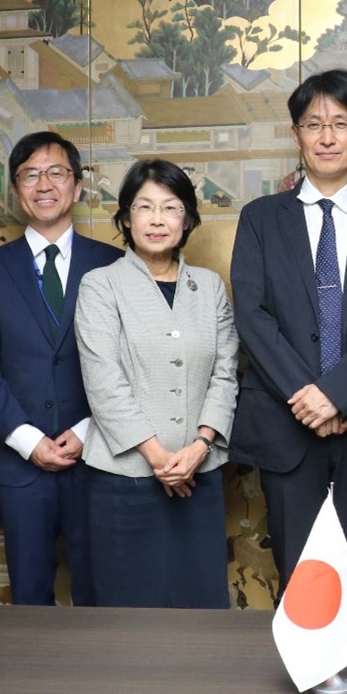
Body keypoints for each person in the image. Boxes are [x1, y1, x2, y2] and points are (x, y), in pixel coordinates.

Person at [229, 69, 347, 604]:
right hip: (287, 422)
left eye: (341, 123)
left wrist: (337, 393)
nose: (327, 136)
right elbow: (253, 315)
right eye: (314, 124)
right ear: (297, 135)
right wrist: (309, 397)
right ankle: (303, 659)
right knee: (298, 581)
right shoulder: (261, 219)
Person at [0, 131, 121, 607]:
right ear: (16, 191)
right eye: (30, 175)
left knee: (102, 595)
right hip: (20, 464)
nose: (44, 184)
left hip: (99, 458)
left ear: (77, 186)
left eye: (56, 172)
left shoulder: (113, 265)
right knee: (29, 599)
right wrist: (28, 440)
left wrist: (89, 429)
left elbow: (130, 363)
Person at [76, 160, 236, 608]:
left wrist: (200, 447)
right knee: (130, 614)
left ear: (187, 219)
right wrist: (159, 458)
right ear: (126, 218)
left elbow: (226, 373)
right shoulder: (101, 285)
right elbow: (103, 380)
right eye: (144, 207)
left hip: (199, 475)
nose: (157, 219)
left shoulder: (210, 287)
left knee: (200, 610)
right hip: (124, 478)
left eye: (170, 207)